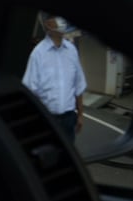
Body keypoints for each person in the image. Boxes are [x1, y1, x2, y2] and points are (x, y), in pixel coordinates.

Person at [23, 13, 87, 141]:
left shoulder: (71, 50)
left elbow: (78, 84)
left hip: (69, 119)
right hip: (47, 120)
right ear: (47, 24)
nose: (62, 20)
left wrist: (80, 115)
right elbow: (30, 91)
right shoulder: (38, 53)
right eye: (56, 17)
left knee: (68, 156)